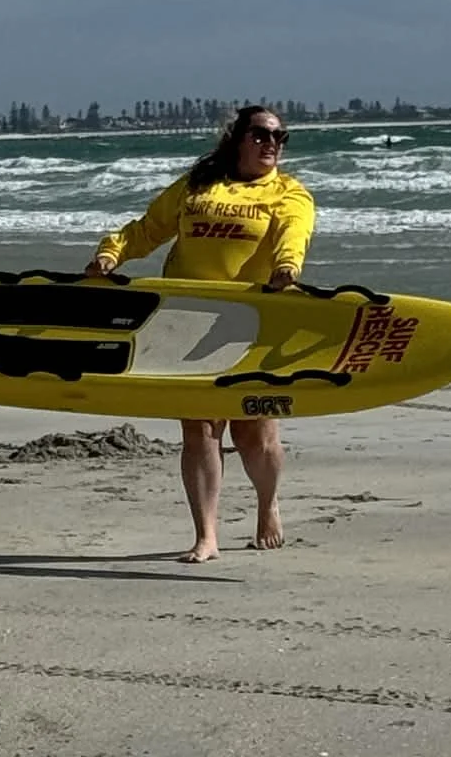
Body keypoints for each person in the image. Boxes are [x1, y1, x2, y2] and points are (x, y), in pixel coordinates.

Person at [86, 105, 315, 563]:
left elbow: (295, 233)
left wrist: (288, 268)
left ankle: (267, 505)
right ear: (237, 138)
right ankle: (206, 535)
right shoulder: (197, 187)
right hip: (188, 318)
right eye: (261, 135)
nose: (272, 144)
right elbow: (148, 229)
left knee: (255, 434)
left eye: (279, 137)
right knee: (200, 429)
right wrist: (111, 255)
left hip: (253, 320)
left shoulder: (289, 193)